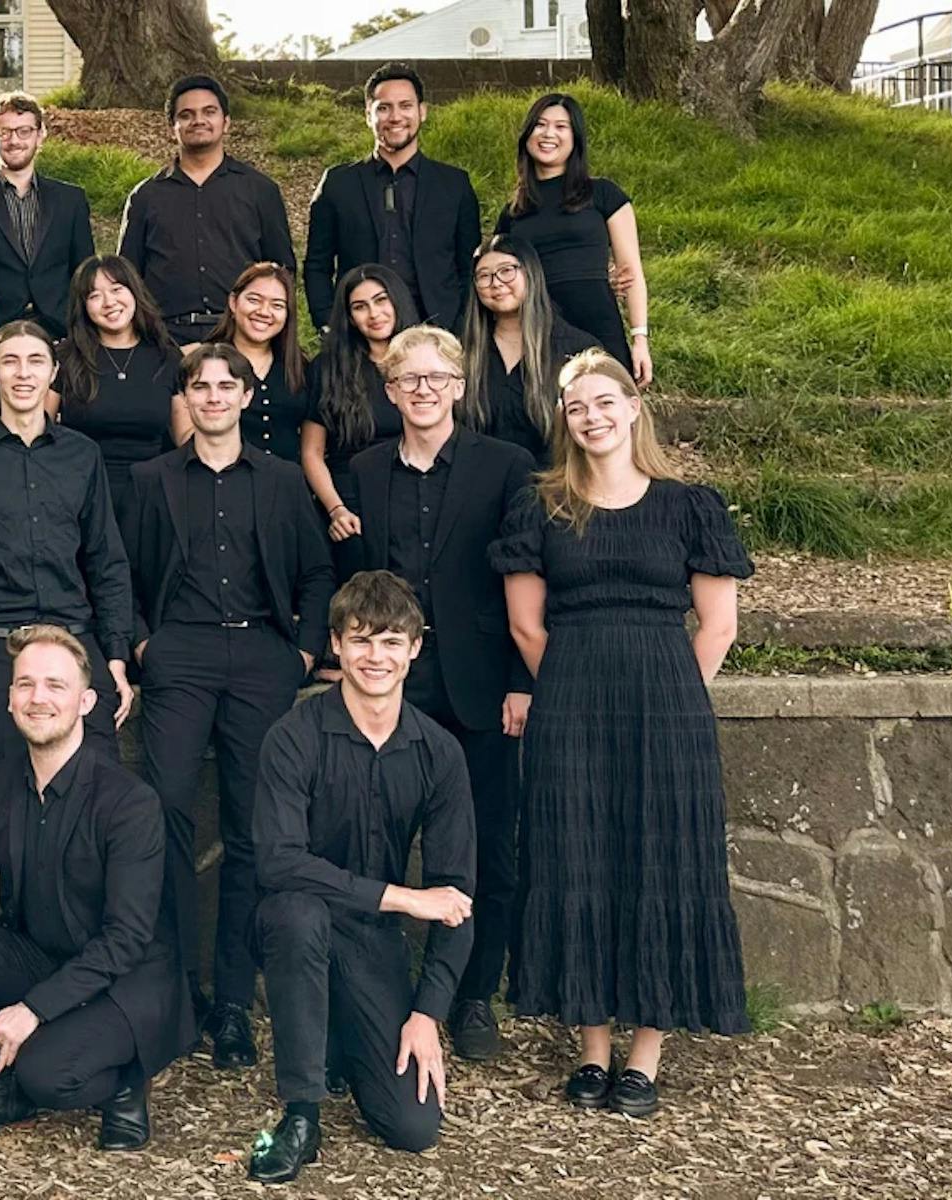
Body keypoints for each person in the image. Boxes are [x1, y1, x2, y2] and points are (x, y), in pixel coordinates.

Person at [493, 350, 752, 1118]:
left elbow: (719, 624)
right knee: (577, 857)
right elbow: (526, 625)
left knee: (660, 862)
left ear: (634, 408)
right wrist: (577, 690)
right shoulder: (542, 507)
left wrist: (670, 696)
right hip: (570, 700)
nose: (592, 416)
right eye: (577, 407)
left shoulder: (688, 506)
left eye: (605, 401)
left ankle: (645, 1055)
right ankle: (592, 1047)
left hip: (667, 707)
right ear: (565, 422)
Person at [0, 624, 187, 1152]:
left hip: (124, 983)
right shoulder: (1, 782)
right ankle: (2, 1084)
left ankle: (123, 1079)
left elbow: (126, 940)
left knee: (48, 1074)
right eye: (25, 684)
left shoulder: (129, 802)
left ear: (86, 702)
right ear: (9, 699)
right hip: (40, 957)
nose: (38, 698)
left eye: (56, 685)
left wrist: (32, 1010)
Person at [121, 345, 333, 1070]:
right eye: (200, 386)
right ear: (185, 399)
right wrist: (143, 645)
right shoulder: (151, 479)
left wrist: (301, 653)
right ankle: (180, 988)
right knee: (167, 811)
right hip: (178, 652)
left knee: (252, 826)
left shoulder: (281, 480)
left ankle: (235, 1003)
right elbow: (120, 571)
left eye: (225, 386)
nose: (212, 396)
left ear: (245, 397)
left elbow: (315, 572)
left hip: (261, 656)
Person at [344, 325, 536, 1063]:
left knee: (486, 848)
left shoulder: (506, 465)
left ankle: (473, 995)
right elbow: (356, 578)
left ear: (459, 386)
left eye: (436, 378)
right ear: (389, 390)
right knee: (378, 844)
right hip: (390, 687)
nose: (422, 390)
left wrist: (521, 681)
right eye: (408, 379)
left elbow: (525, 576)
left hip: (481, 684)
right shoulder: (364, 469)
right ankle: (379, 994)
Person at [247, 571, 476, 1183]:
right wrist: (402, 897)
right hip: (295, 927)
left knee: (412, 1127)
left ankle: (341, 1038)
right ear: (336, 645)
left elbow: (455, 896)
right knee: (297, 913)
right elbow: (278, 862)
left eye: (392, 641)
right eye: (361, 640)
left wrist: (427, 1014)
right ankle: (302, 1114)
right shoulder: (293, 737)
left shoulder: (438, 753)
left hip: (373, 943)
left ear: (415, 647)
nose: (376, 657)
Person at [0, 321, 136, 767]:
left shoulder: (83, 454)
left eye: (36, 361)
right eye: (11, 361)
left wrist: (116, 657)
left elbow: (107, 561)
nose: (23, 373)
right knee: (7, 786)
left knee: (98, 782)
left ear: (53, 372)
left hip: (76, 639)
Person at [119, 75, 298, 345]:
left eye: (209, 112)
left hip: (241, 335)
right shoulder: (146, 196)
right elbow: (127, 275)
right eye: (186, 115)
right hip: (165, 340)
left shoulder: (260, 190)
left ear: (226, 122)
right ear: (172, 127)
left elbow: (282, 271)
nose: (198, 120)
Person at [304, 64, 481, 333]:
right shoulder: (338, 184)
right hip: (360, 332)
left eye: (406, 106)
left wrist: (461, 325)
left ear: (422, 111)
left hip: (438, 332)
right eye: (384, 108)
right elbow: (318, 263)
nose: (396, 117)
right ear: (368, 114)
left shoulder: (454, 184)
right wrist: (328, 323)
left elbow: (469, 265)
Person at [496, 93, 650, 379]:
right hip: (539, 330)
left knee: (608, 401)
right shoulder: (512, 212)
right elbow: (502, 279)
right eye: (540, 125)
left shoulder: (604, 194)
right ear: (527, 135)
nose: (548, 134)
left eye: (561, 126)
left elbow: (631, 272)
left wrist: (640, 339)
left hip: (597, 322)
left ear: (575, 138)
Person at [52, 256, 190, 523]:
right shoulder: (65, 358)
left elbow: (185, 436)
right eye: (95, 295)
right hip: (79, 493)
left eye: (117, 289)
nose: (109, 302)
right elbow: (41, 429)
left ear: (134, 291)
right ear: (83, 306)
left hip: (152, 495)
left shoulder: (166, 356)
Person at [0, 92, 93, 338]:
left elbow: (84, 271)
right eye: (4, 132)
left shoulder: (71, 200)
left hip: (60, 329)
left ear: (40, 135)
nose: (14, 140)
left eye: (24, 131)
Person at [304, 265, 417, 552]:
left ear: (397, 301)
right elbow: (312, 452)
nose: (373, 314)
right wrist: (336, 510)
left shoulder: (425, 360)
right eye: (360, 307)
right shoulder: (328, 367)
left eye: (381, 300)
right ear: (350, 318)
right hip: (350, 501)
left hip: (416, 491)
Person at [461, 235, 599, 468]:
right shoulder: (463, 351)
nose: (496, 283)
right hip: (478, 479)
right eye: (484, 276)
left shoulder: (576, 350)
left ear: (531, 273)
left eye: (507, 270)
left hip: (554, 479)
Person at [203, 262, 315, 467]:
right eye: (254, 300)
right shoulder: (205, 362)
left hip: (288, 482)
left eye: (277, 305)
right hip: (223, 480)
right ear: (233, 302)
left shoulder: (300, 366)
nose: (264, 311)